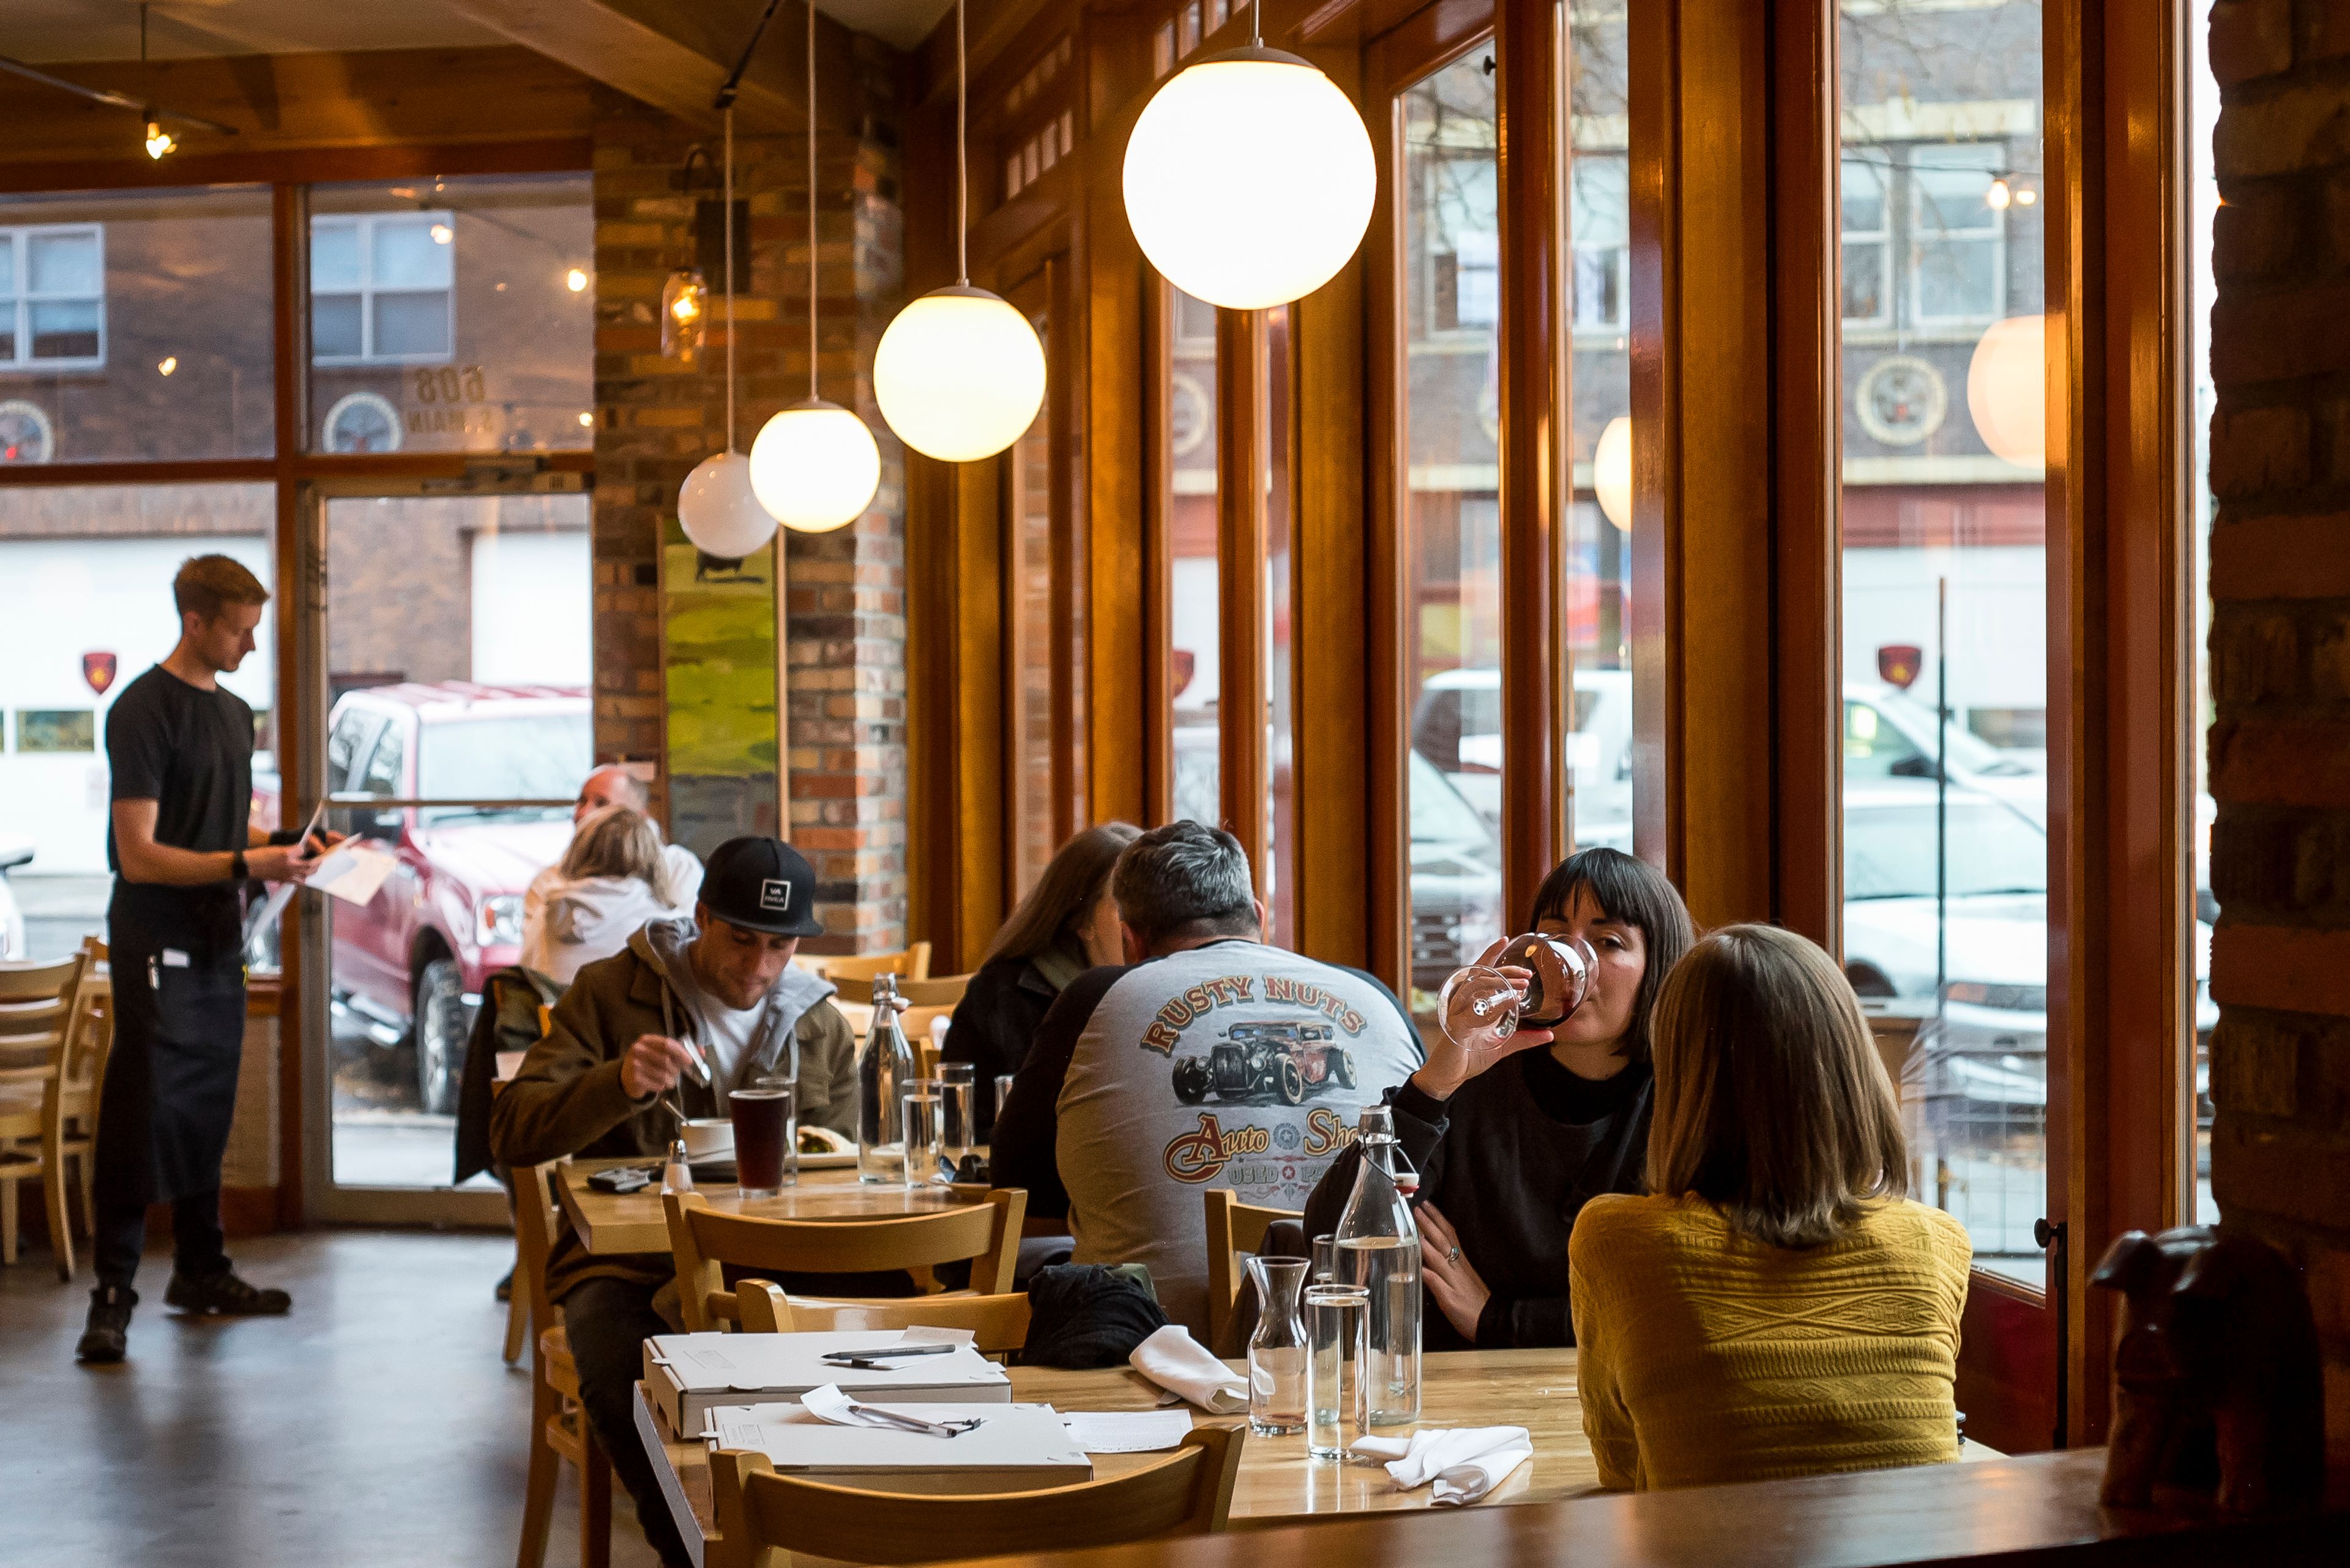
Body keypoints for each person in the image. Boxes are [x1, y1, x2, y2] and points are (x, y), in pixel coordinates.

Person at [488, 835, 856, 1568]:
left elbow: (848, 1165)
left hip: (777, 1265)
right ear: (701, 917)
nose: (757, 967)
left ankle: (819, 1539)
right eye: (740, 940)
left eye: (779, 948)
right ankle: (699, 1555)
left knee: (885, 1344)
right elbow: (512, 1129)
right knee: (623, 1359)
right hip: (629, 1265)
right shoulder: (611, 992)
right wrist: (616, 1085)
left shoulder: (819, 1022)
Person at [1569, 924, 1971, 1490]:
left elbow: (1620, 1472)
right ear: (1852, 1066)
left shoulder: (1616, 1240)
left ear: (1684, 1078)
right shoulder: (1937, 1241)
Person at [990, 820, 1423, 1335]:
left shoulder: (1095, 998)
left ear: (1132, 941)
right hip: (1358, 1343)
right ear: (1258, 917)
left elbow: (1019, 1187)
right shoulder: (1371, 994)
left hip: (1148, 1348)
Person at [77, 556, 338, 1365]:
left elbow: (224, 826)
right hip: (156, 942)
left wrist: (290, 844)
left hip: (219, 940)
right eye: (241, 629)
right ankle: (113, 1297)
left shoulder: (234, 715)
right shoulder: (140, 712)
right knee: (140, 1109)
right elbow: (142, 853)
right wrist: (248, 866)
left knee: (206, 1110)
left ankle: (200, 1269)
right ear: (197, 622)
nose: (252, 646)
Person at [1301, 846, 1695, 1350]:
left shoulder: (1684, 1101)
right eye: (1553, 937)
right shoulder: (1476, 1080)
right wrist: (1435, 1083)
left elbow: (1682, 1304)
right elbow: (1333, 1240)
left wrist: (1501, 1321)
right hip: (1466, 1406)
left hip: (1629, 1395)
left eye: (1608, 941)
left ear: (1659, 966)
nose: (1571, 961)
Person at [454, 805, 693, 1198]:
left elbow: (527, 978)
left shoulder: (548, 913)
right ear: (652, 860)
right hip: (628, 1103)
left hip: (548, 1087)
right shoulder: (660, 926)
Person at [947, 821, 1139, 1137]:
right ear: (1083, 922)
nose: (1143, 920)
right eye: (1125, 905)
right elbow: (965, 1131)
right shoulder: (1001, 999)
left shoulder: (1166, 991)